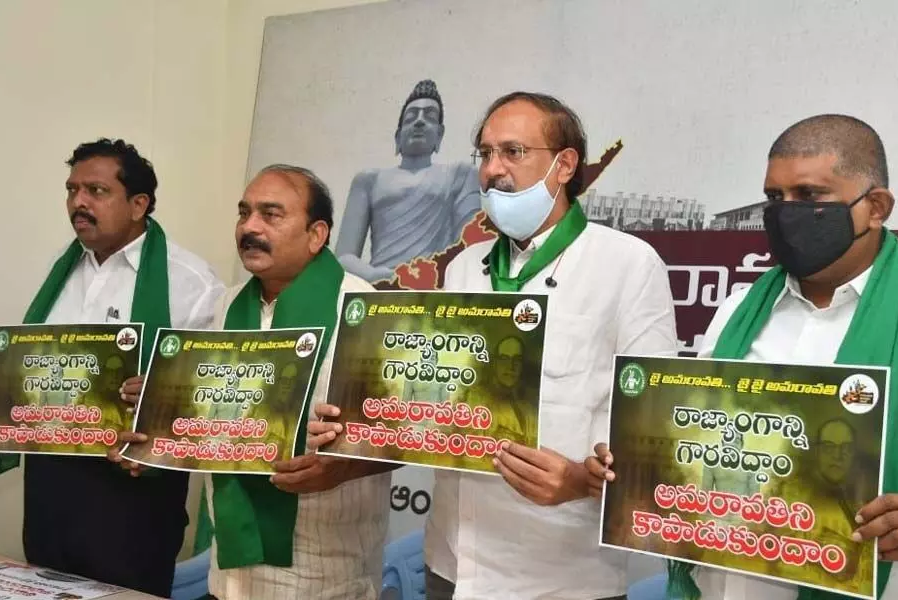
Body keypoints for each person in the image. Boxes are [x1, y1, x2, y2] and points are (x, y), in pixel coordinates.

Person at [313, 91, 678, 599]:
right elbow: (433, 395)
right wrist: (358, 419)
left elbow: (654, 440)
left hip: (562, 576)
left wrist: (577, 480)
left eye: (513, 152)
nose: (493, 170)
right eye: (484, 154)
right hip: (450, 562)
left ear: (565, 165)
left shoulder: (629, 265)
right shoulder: (465, 267)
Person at [588, 115, 898, 599]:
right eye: (775, 198)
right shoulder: (736, 313)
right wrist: (634, 470)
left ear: (876, 207)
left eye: (810, 197)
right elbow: (696, 447)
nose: (786, 214)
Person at [116, 164, 396, 599]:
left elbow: (411, 438)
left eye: (271, 214)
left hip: (326, 573)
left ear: (316, 234)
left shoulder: (363, 309)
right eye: (244, 212)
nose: (249, 227)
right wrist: (156, 429)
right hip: (229, 573)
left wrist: (340, 468)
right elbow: (217, 411)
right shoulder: (227, 305)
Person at [0, 138, 225, 597]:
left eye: (96, 191)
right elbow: (38, 374)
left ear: (138, 204)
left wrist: (164, 393)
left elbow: (217, 399)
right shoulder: (59, 271)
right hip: (51, 495)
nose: (78, 202)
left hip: (133, 501)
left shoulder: (192, 284)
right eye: (72, 189)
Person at [335, 79, 481, 282]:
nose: (419, 121)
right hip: (380, 288)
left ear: (439, 135)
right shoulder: (369, 180)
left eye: (429, 117)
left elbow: (471, 247)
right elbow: (343, 257)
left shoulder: (461, 174)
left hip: (436, 288)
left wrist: (436, 278)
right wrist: (374, 276)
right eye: (411, 117)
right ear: (398, 136)